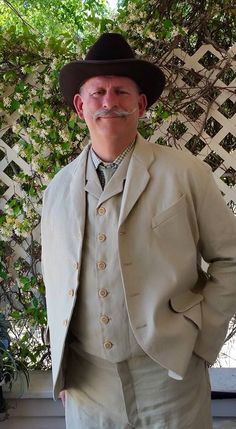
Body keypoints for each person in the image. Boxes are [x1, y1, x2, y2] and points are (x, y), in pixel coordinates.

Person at [41, 33, 236, 429]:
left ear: (141, 104)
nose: (109, 102)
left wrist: (202, 341)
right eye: (97, 93)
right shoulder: (56, 190)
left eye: (120, 92)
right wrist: (63, 363)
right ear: (81, 106)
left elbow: (230, 257)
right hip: (88, 384)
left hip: (169, 376)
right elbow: (55, 277)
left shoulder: (185, 173)